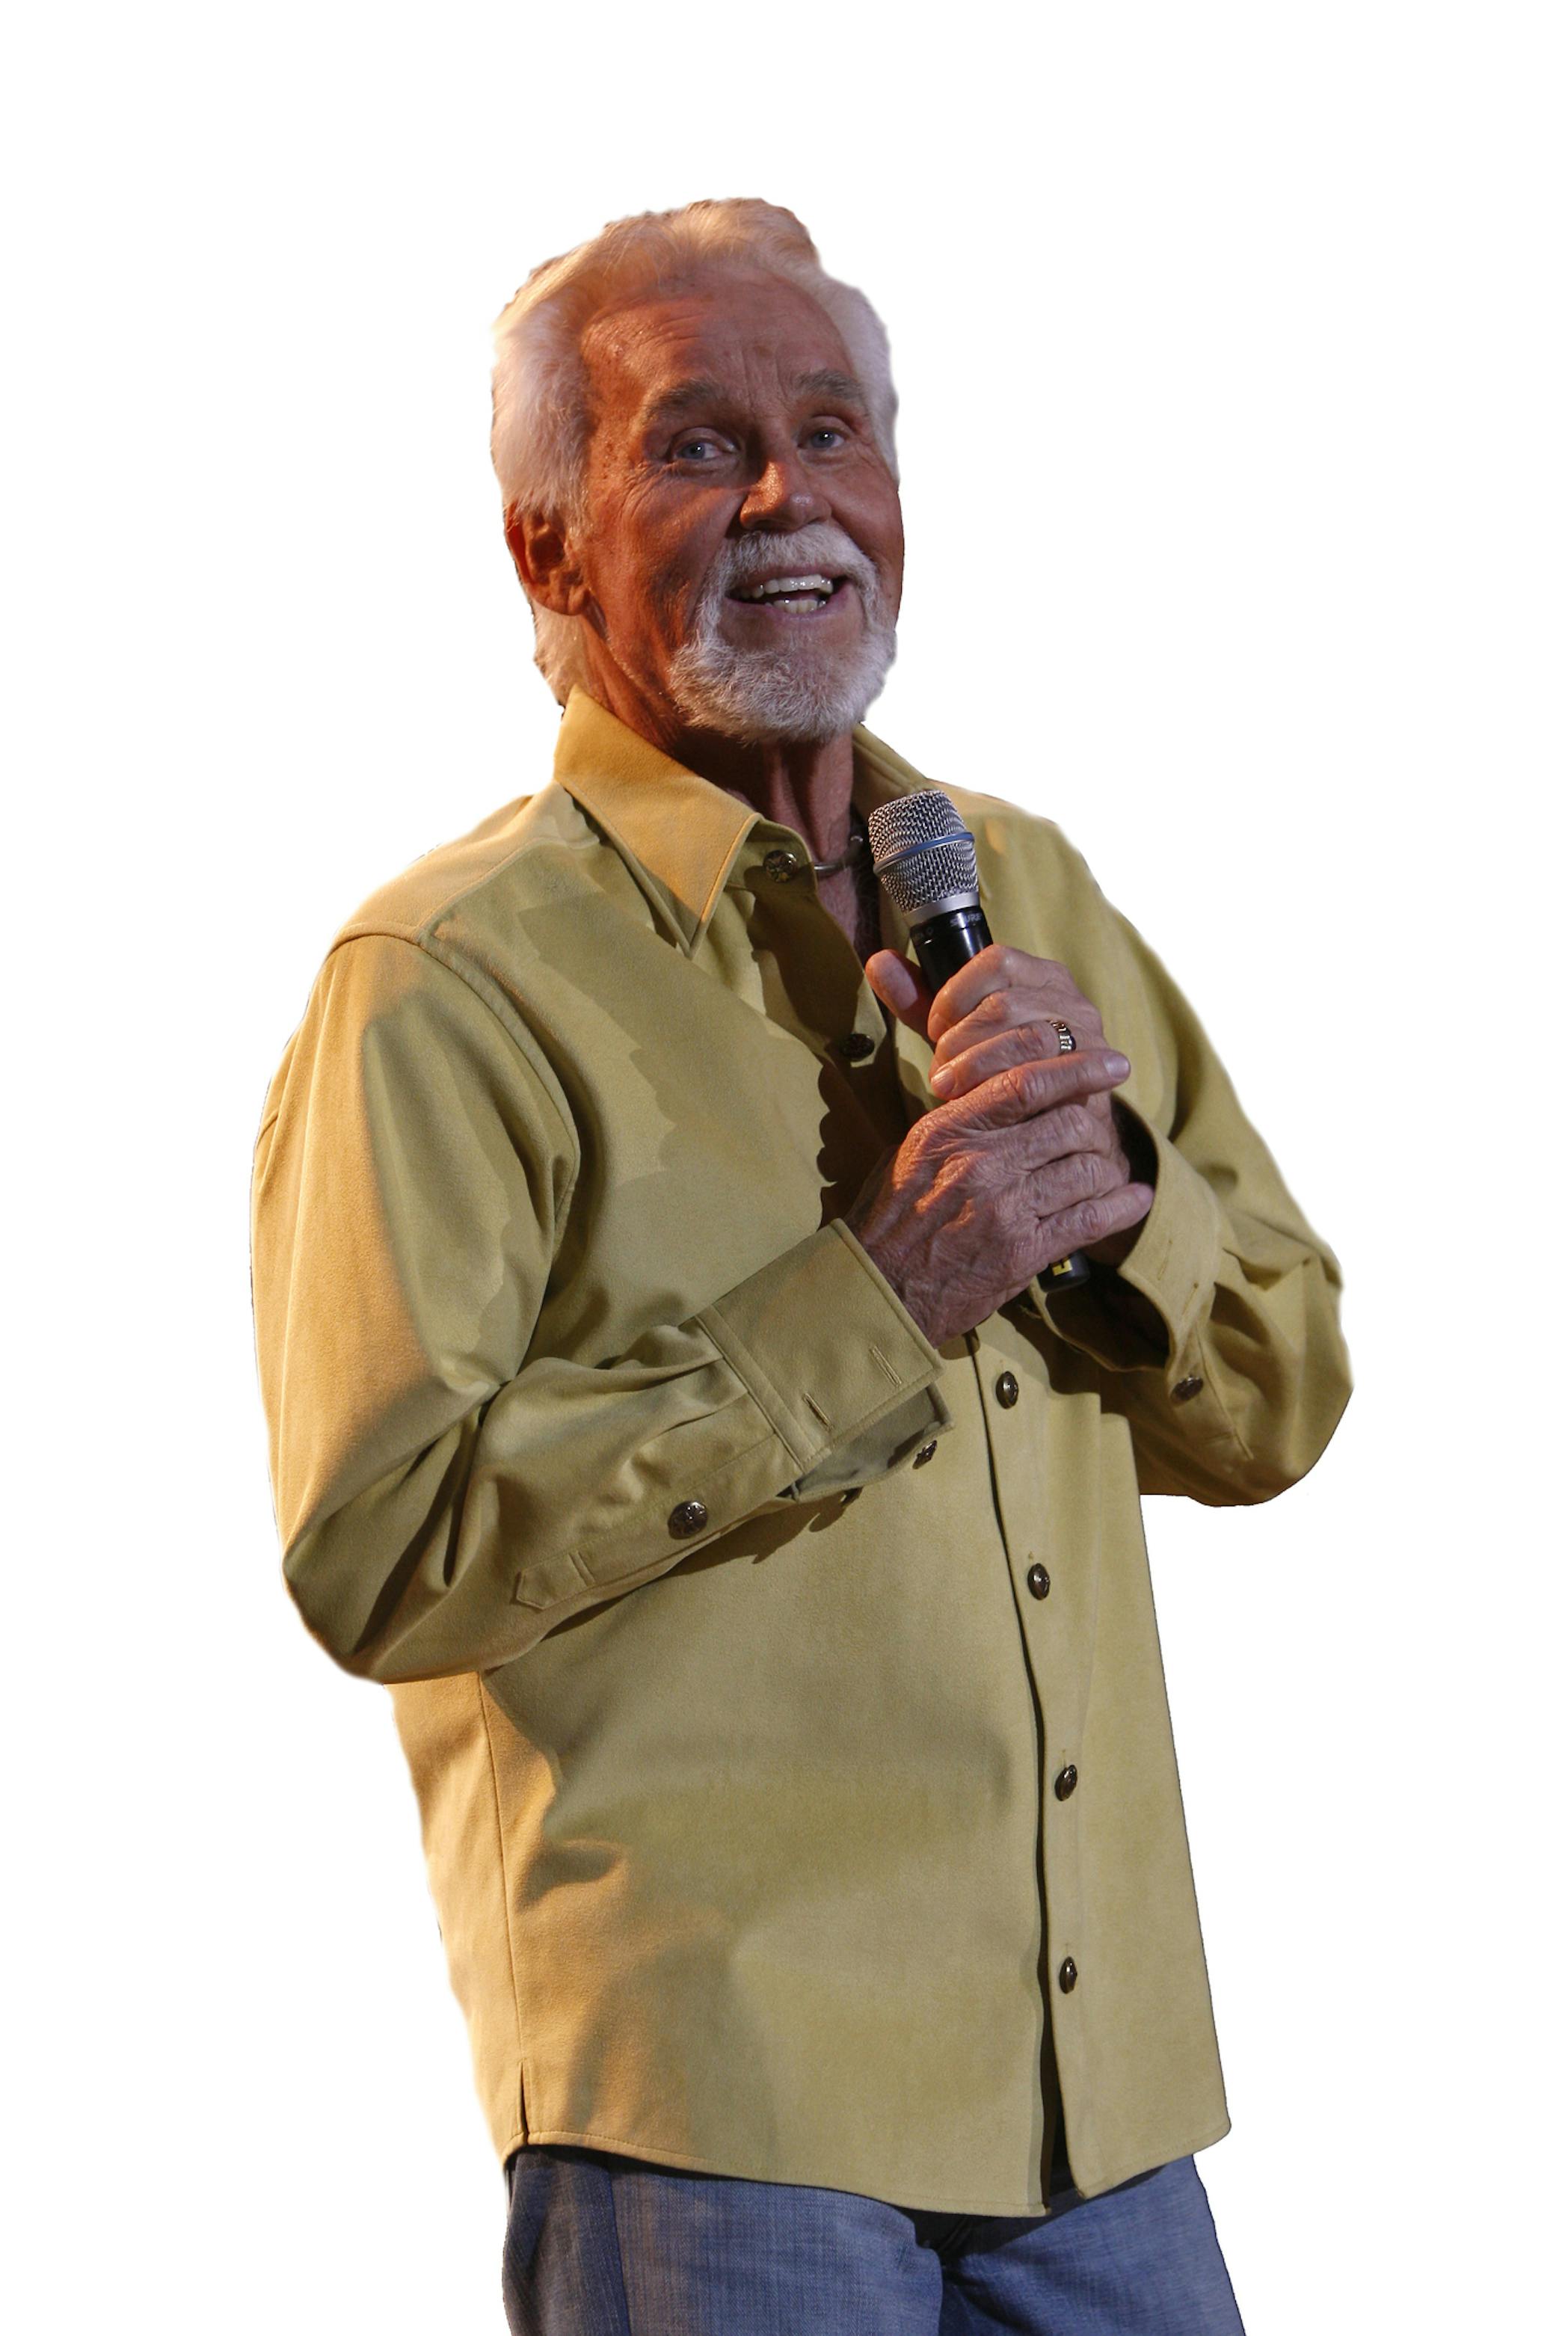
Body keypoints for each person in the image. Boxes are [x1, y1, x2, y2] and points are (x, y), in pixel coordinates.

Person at [249, 197, 1352, 2335]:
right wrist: (876, 1295)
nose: (789, 497)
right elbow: (378, 1549)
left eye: (835, 433)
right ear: (543, 550)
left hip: (1102, 2101)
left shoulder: (1021, 887)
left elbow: (1286, 1385)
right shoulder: (444, 982)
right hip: (722, 2115)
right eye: (696, 446)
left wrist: (1125, 1196)